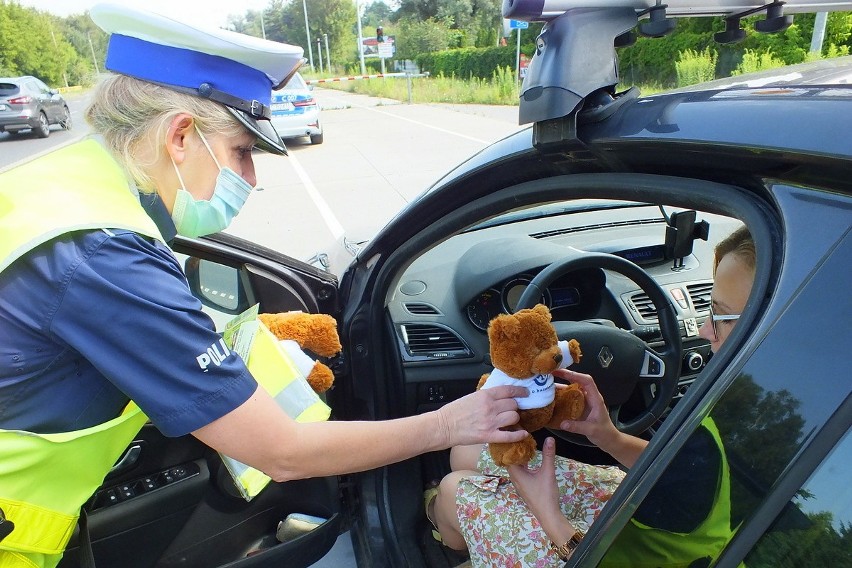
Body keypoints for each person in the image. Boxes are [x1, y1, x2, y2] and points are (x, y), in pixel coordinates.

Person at [0, 5, 529, 568]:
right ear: (180, 136)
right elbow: (282, 452)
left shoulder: (62, 189)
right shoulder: (104, 254)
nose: (250, 177)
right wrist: (450, 422)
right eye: (242, 151)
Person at [427, 226, 755, 567]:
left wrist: (548, 514)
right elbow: (687, 466)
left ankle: (450, 540)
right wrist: (607, 435)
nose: (704, 329)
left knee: (453, 491)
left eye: (719, 315)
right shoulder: (759, 396)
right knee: (467, 450)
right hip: (654, 517)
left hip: (601, 556)